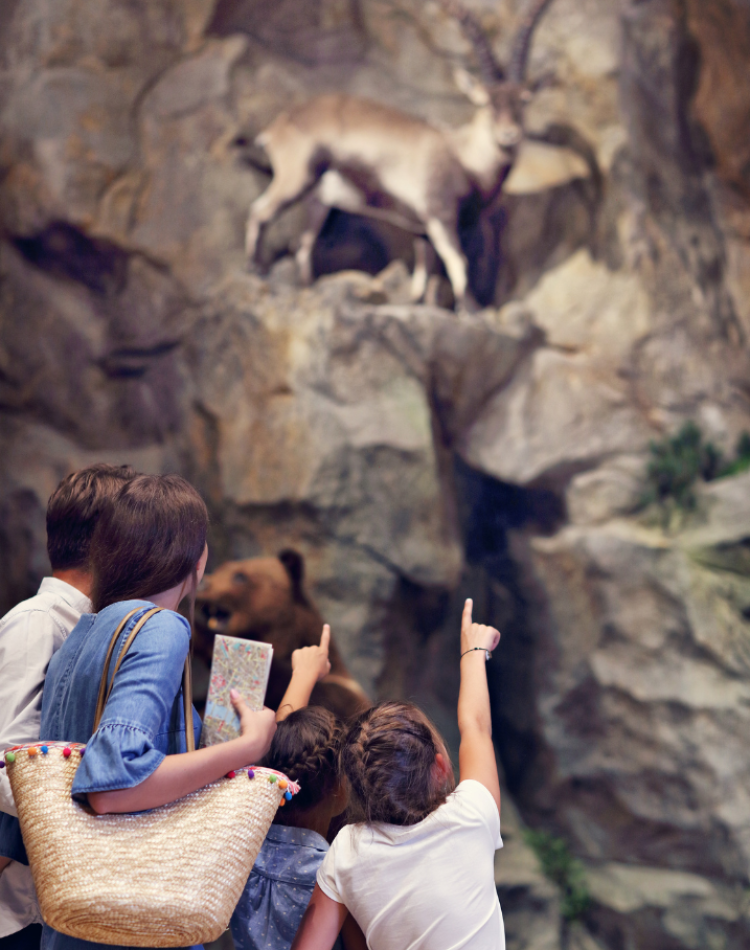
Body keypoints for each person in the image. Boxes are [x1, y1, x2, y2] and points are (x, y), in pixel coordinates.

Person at [37, 473, 278, 950]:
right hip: (137, 925)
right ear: (196, 559)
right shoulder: (162, 628)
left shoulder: (80, 637)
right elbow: (113, 783)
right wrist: (248, 747)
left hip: (72, 926)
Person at [290, 598, 503, 950]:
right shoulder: (471, 814)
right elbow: (476, 727)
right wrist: (473, 650)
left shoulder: (347, 849)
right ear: (439, 768)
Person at [0, 464, 137, 950]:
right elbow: (7, 763)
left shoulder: (96, 625)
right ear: (113, 542)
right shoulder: (37, 623)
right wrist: (97, 805)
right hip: (17, 911)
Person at [231, 629, 366, 950]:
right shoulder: (338, 875)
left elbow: (280, 762)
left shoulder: (244, 849)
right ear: (339, 792)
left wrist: (304, 673)